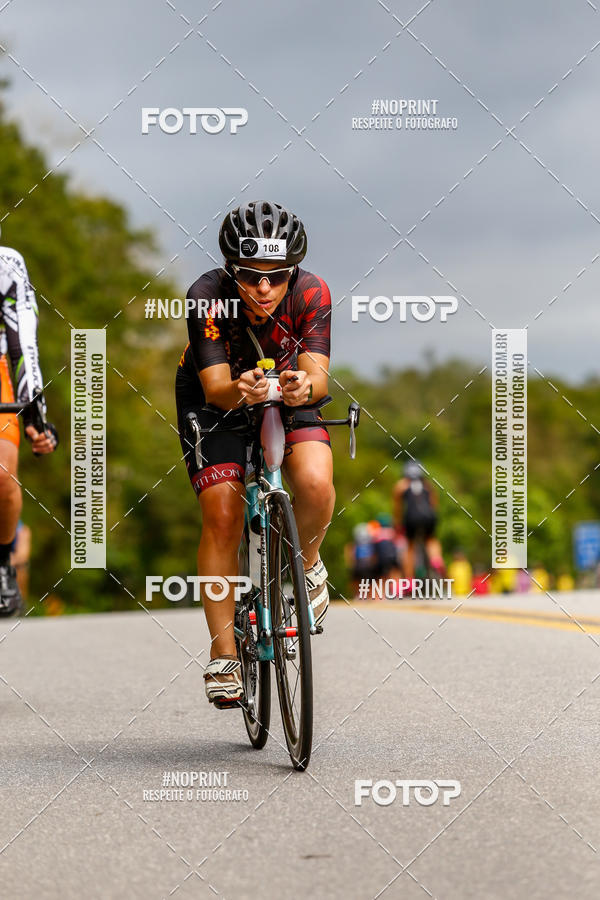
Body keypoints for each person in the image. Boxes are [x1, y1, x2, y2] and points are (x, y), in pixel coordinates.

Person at [175, 201, 333, 705]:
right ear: (230, 270)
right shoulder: (206, 296)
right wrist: (240, 389)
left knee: (314, 482)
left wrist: (302, 387)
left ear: (293, 273)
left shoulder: (311, 292)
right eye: (249, 275)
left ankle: (308, 564)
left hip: (284, 392)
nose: (264, 288)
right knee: (222, 513)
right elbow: (217, 388)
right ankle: (223, 654)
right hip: (217, 396)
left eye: (277, 276)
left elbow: (318, 377)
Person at [0, 240, 58, 616]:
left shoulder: (6, 265)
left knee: (3, 474)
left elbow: (23, 344)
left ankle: (2, 563)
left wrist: (36, 415)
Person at [392, 459, 444, 580]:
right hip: (429, 517)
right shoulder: (428, 485)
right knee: (431, 539)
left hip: (411, 518)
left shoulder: (401, 485)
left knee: (410, 546)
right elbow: (434, 504)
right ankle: (436, 561)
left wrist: (397, 523)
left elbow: (398, 508)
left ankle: (409, 578)